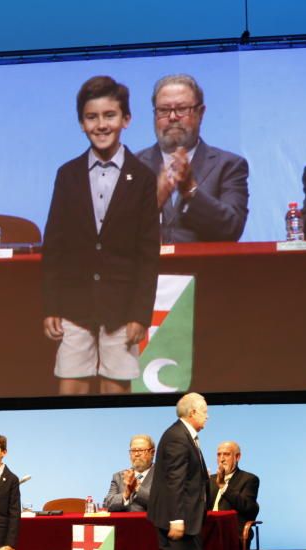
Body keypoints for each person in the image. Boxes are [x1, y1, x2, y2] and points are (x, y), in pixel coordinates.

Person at [41, 75, 160, 395]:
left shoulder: (145, 178)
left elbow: (148, 255)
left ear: (126, 119)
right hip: (74, 304)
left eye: (110, 115)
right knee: (70, 387)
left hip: (121, 308)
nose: (101, 124)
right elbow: (53, 245)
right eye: (92, 117)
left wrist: (140, 315)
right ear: (81, 123)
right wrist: (52, 305)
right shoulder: (68, 175)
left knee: (116, 390)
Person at [116, 392, 219, 550]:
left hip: (172, 513)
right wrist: (177, 519)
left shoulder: (182, 435)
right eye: (204, 411)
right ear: (192, 413)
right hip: (176, 514)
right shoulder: (178, 437)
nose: (207, 416)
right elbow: (175, 481)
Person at [136, 74, 248, 244]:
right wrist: (155, 200)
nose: (172, 117)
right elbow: (114, 234)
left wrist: (190, 191)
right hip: (147, 269)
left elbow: (232, 228)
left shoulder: (229, 165)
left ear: (200, 113)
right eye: (164, 110)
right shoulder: (133, 166)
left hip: (204, 269)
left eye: (181, 109)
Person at [206, 440, 260, 539]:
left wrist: (223, 486)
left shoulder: (249, 479)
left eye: (226, 454)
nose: (221, 459)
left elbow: (247, 507)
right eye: (219, 455)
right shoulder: (209, 479)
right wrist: (199, 485)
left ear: (237, 457)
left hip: (231, 531)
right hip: (208, 528)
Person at [103, 434, 155, 512]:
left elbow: (163, 503)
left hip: (150, 523)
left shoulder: (163, 475)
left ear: (152, 452)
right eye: (133, 451)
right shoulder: (119, 477)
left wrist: (137, 487)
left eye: (141, 450)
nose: (136, 454)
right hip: (123, 523)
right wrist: (126, 494)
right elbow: (107, 504)